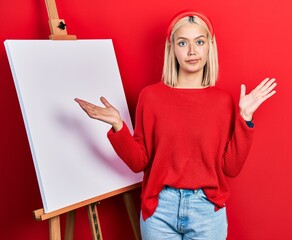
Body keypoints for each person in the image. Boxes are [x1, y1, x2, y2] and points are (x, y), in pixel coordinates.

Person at [75, 10, 276, 240]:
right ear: (172, 48)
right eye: (183, 43)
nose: (192, 51)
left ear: (210, 45)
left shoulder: (222, 101)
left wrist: (245, 117)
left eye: (199, 42)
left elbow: (231, 168)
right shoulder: (151, 97)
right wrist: (118, 126)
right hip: (160, 209)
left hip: (207, 211)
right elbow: (138, 161)